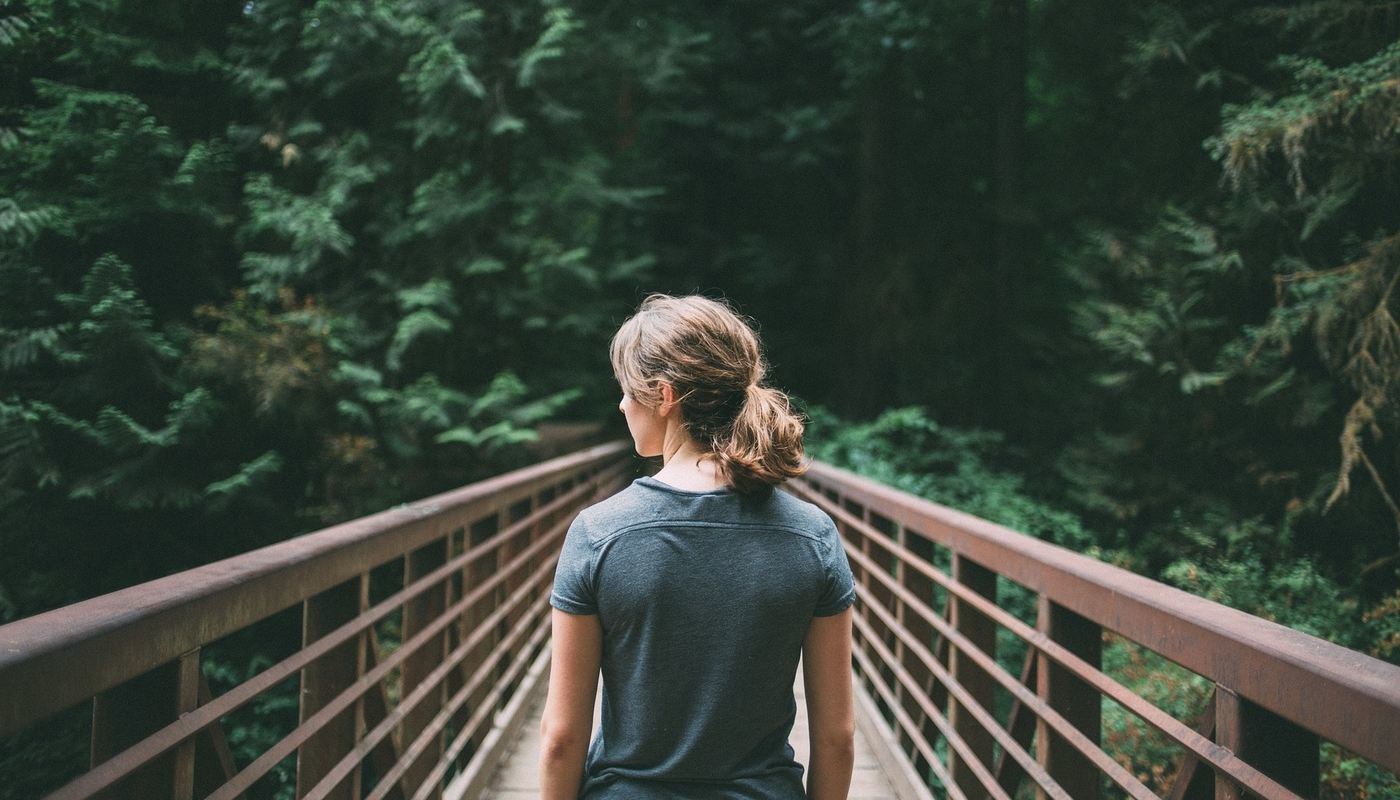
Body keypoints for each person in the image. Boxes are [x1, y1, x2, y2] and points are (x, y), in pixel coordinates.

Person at [539, 293, 858, 800]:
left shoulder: (599, 533)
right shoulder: (812, 536)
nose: (622, 405)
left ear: (664, 396)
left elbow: (561, 740)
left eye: (626, 391)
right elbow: (837, 739)